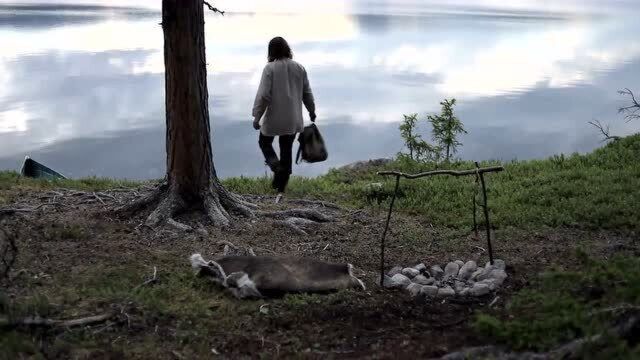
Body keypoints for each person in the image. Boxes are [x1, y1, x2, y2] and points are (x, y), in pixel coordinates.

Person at [252, 36, 316, 203]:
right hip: (293, 119)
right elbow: (307, 93)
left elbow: (263, 96)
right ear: (287, 49)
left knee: (265, 143)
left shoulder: (269, 69)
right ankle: (281, 188)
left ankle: (276, 167)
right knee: (286, 149)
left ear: (271, 51)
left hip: (274, 118)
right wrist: (312, 111)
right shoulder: (299, 68)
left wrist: (257, 117)